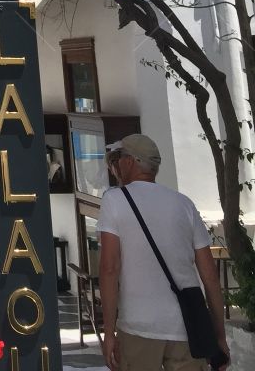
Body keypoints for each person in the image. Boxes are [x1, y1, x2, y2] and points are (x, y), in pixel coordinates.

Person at [98, 133, 230, 371]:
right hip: (187, 328)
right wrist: (219, 336)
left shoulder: (114, 201)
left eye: (116, 160)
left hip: (138, 327)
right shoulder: (184, 204)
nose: (114, 168)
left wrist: (109, 332)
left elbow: (109, 268)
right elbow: (210, 276)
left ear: (129, 162)